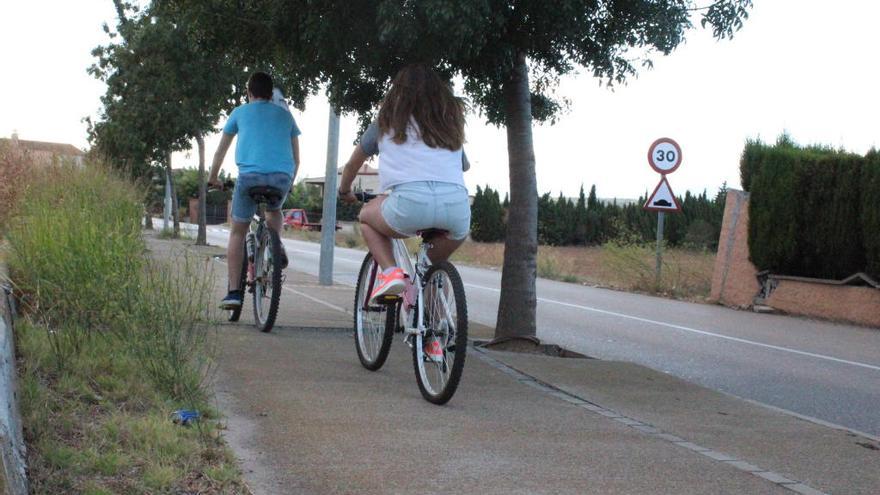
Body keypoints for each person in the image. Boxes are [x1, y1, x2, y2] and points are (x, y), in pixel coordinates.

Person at [338, 64, 471, 312]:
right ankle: (436, 337)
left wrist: (345, 190)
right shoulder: (448, 126)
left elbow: (351, 165)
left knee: (366, 217)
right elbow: (464, 166)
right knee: (429, 270)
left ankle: (391, 273)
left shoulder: (385, 122)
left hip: (410, 205)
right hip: (456, 209)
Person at [209, 72, 301, 309]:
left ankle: (233, 293)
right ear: (271, 95)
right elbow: (296, 159)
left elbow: (220, 151)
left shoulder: (239, 112)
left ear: (249, 92)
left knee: (238, 231)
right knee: (274, 210)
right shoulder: (286, 116)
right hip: (282, 176)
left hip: (249, 177)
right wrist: (288, 182)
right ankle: (276, 243)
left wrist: (213, 178)